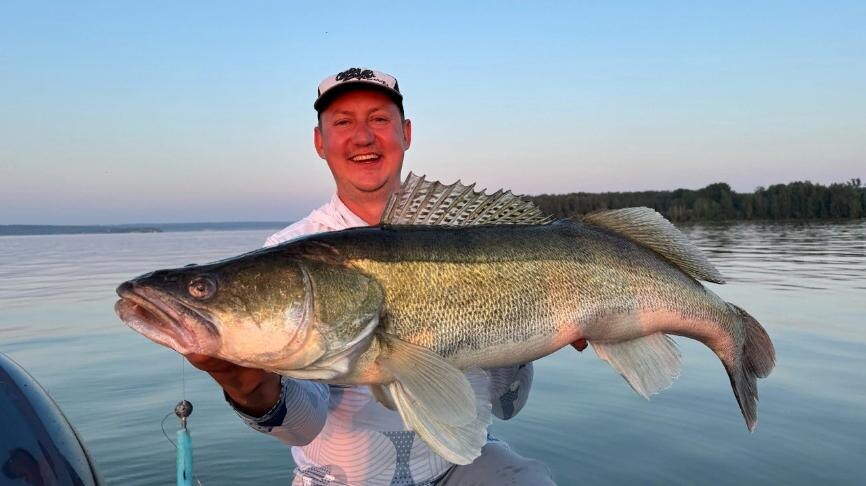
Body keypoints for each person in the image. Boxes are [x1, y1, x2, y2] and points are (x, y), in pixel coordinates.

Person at [187, 68, 556, 485]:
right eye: (343, 122)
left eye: (379, 119)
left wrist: (544, 324)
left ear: (407, 133)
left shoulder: (484, 241)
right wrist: (247, 386)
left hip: (461, 466)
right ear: (319, 142)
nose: (363, 137)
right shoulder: (290, 253)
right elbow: (303, 425)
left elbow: (508, 405)